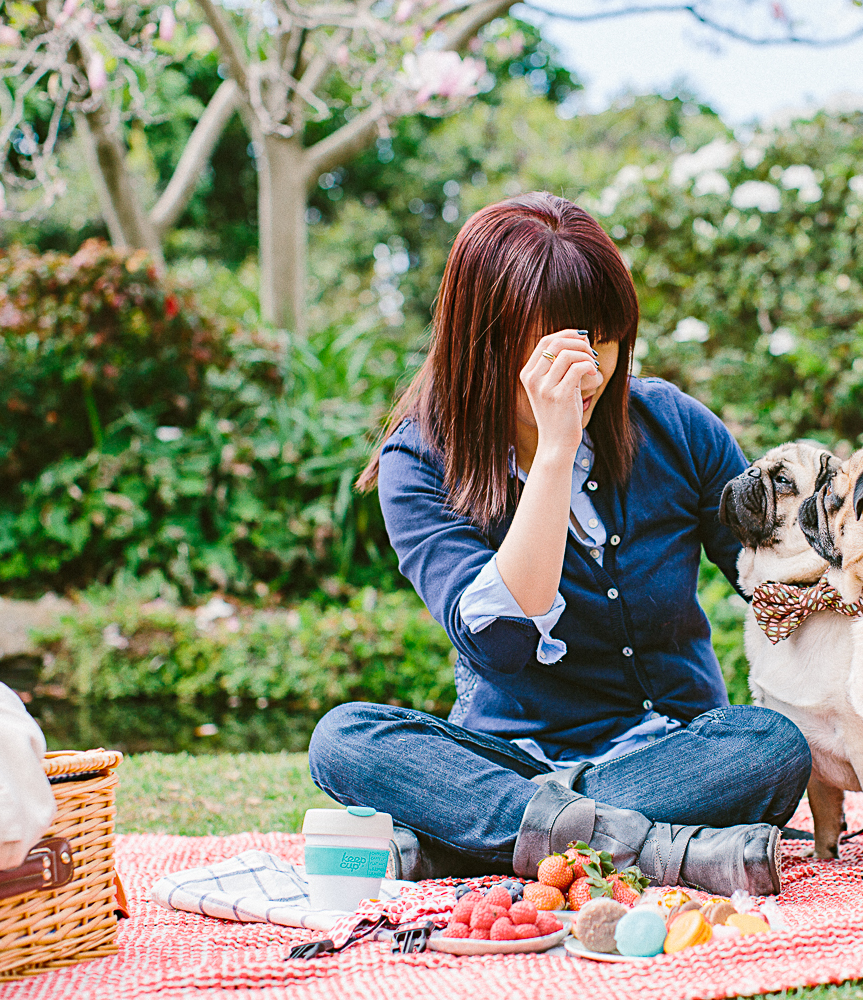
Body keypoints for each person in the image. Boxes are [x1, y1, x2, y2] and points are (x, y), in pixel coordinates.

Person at [308, 192, 811, 896]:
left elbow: (777, 583)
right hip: (506, 760)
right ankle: (658, 850)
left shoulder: (674, 426)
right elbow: (503, 643)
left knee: (769, 746)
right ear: (484, 340)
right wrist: (554, 455)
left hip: (671, 756)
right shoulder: (419, 460)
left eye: (604, 340)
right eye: (562, 347)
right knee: (343, 738)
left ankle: (476, 846)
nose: (592, 370)